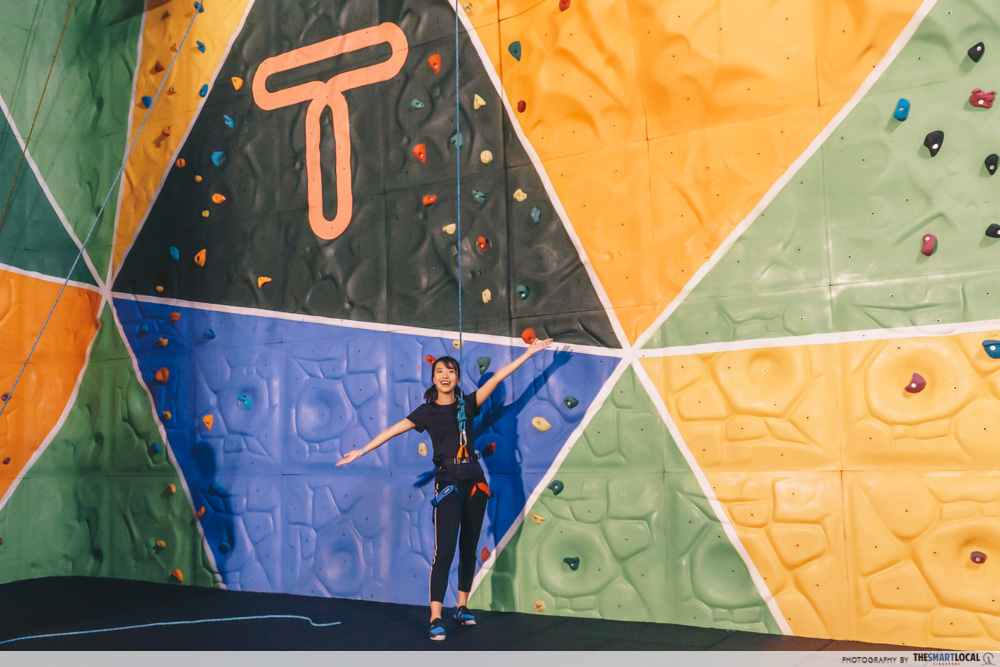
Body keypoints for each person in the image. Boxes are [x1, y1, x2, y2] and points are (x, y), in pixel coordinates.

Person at [336, 337, 554, 641]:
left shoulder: (468, 404)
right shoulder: (425, 412)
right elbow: (392, 431)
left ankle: (461, 607)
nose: (445, 375)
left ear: (457, 378)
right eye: (440, 371)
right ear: (433, 379)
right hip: (448, 483)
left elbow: (500, 377)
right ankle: (436, 618)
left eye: (451, 370)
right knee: (444, 553)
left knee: (469, 549)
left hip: (476, 482)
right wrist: (361, 450)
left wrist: (529, 353)